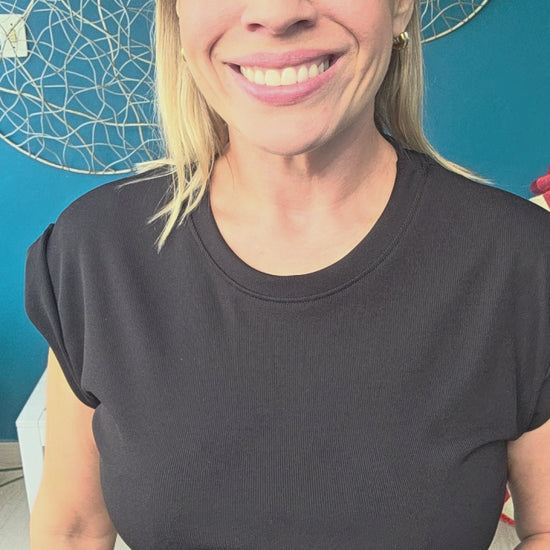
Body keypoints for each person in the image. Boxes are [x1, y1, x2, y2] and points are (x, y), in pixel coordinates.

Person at [24, 0, 550, 548]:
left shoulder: (523, 262)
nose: (275, 12)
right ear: (177, 16)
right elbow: (73, 529)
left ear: (400, 8)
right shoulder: (95, 251)